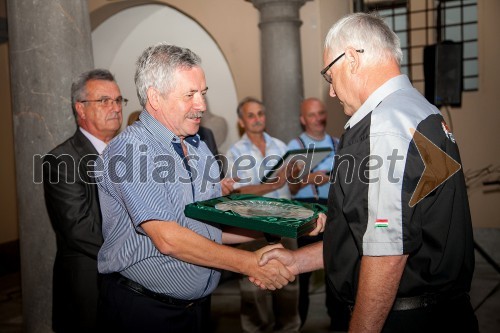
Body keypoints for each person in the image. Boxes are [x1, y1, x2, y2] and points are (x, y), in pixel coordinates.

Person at [257, 12, 479, 333]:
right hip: (447, 314)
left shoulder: (382, 125)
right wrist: (297, 261)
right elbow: (396, 233)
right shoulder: (423, 112)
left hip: (402, 318)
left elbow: (387, 252)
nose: (331, 91)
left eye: (329, 76)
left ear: (351, 59)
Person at [96, 43, 320, 333]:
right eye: (190, 95)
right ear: (155, 97)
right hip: (143, 311)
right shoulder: (131, 150)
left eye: (202, 93)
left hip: (198, 309)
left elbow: (211, 226)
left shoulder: (198, 147)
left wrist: (291, 226)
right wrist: (250, 263)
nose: (201, 104)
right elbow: (168, 238)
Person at [42, 69, 125, 332]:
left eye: (118, 100)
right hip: (90, 290)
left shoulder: (128, 154)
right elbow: (79, 230)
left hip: (130, 292)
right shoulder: (61, 160)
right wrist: (138, 253)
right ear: (81, 108)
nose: (115, 108)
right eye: (104, 101)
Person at [225, 97, 301, 333]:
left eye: (260, 114)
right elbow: (237, 192)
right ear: (241, 121)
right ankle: (256, 329)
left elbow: (293, 189)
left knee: (289, 284)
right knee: (253, 289)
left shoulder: (281, 146)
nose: (257, 119)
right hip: (251, 227)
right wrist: (271, 185)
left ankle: (289, 328)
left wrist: (295, 176)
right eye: (251, 115)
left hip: (285, 224)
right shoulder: (234, 152)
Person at [286, 97, 348, 330]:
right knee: (303, 271)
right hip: (306, 210)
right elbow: (291, 185)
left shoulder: (337, 142)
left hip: (333, 209)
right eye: (312, 115)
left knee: (336, 267)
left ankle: (337, 322)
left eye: (321, 113)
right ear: (303, 119)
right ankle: (299, 323)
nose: (318, 118)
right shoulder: (295, 146)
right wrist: (312, 178)